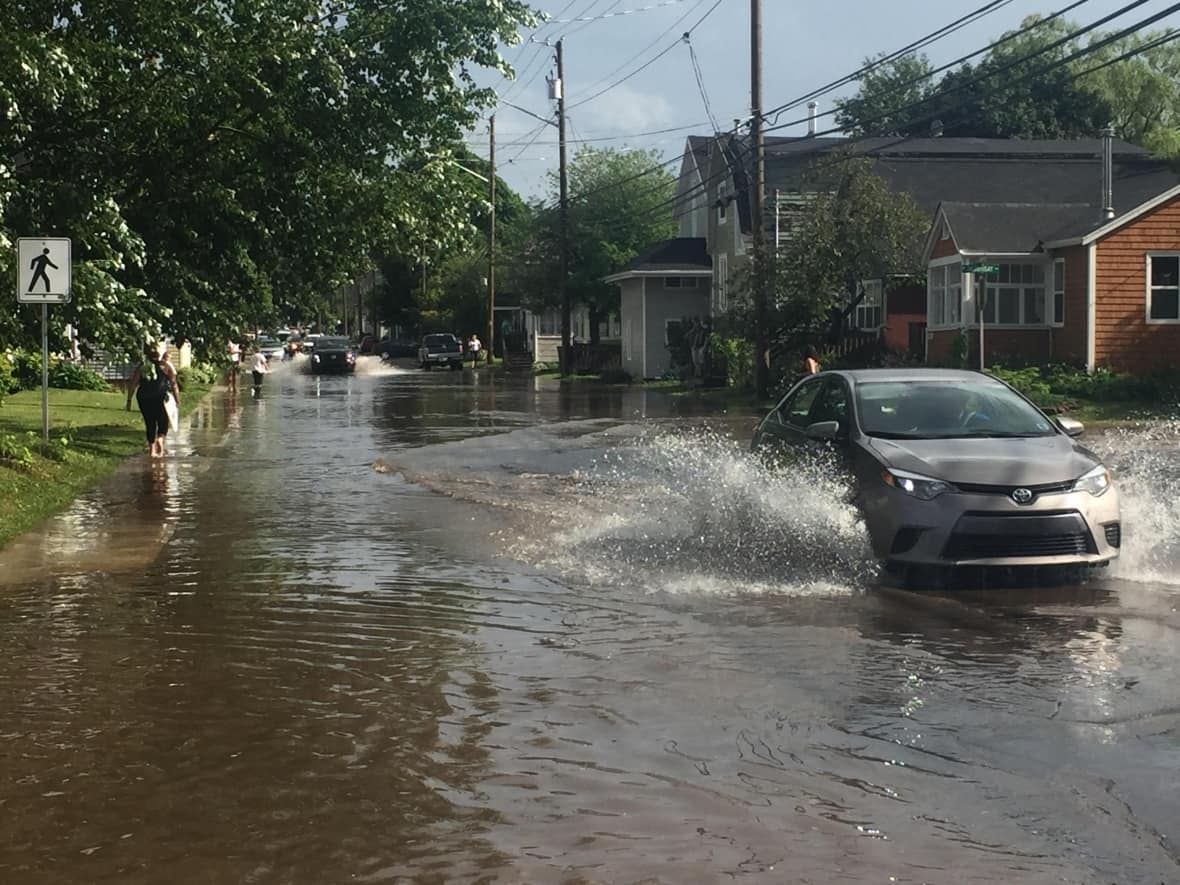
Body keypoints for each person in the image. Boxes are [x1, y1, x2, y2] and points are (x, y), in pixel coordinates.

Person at [126, 343, 180, 458]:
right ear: (159, 356)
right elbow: (174, 385)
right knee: (163, 421)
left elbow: (133, 384)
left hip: (144, 398)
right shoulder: (165, 366)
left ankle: (152, 451)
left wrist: (129, 400)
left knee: (149, 422)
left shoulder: (142, 367)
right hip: (160, 397)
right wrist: (177, 399)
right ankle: (160, 439)